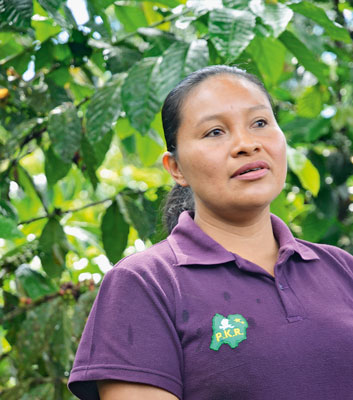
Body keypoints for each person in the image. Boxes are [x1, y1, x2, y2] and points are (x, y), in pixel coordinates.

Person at [68, 65, 353, 400]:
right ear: (175, 168)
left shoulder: (340, 267)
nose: (246, 144)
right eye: (215, 132)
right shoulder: (145, 282)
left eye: (260, 123)